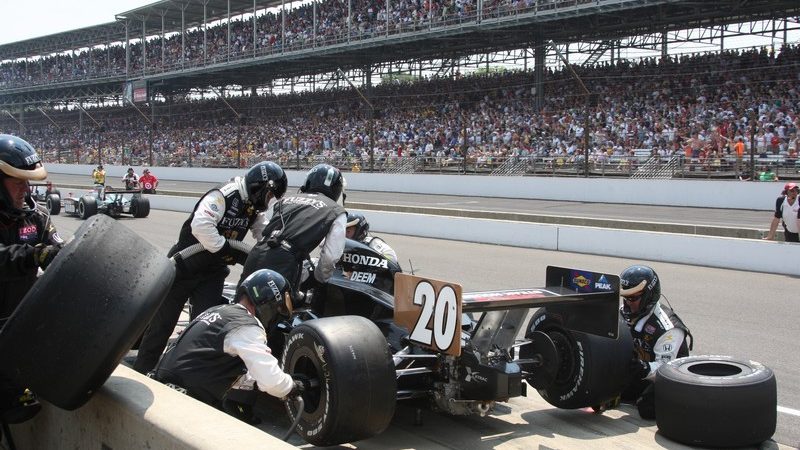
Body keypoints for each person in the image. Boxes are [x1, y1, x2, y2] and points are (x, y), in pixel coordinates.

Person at [133, 161, 287, 375]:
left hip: (212, 273)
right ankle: (144, 370)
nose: (268, 201)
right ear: (259, 187)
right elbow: (200, 225)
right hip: (184, 267)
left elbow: (262, 231)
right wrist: (224, 248)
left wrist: (272, 245)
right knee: (162, 324)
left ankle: (185, 375)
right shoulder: (224, 195)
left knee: (203, 327)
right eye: (269, 196)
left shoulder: (252, 207)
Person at [153, 269, 303, 424]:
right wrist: (291, 386)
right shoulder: (247, 327)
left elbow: (225, 366)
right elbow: (271, 381)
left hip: (162, 385)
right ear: (269, 304)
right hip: (184, 403)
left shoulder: (220, 310)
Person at [0, 134, 64, 424]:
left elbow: (59, 250)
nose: (26, 189)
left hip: (18, 330)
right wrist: (34, 255)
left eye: (28, 182)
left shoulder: (35, 216)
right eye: (18, 182)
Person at [239, 163, 347, 294]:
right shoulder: (336, 211)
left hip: (257, 252)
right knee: (275, 311)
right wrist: (319, 279)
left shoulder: (285, 200)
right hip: (284, 262)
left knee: (240, 305)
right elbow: (330, 257)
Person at [617, 264, 692, 420]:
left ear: (648, 295)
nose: (628, 303)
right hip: (637, 373)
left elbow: (666, 370)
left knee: (647, 407)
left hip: (667, 379)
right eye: (625, 297)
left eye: (633, 298)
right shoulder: (622, 313)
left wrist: (641, 368)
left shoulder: (668, 329)